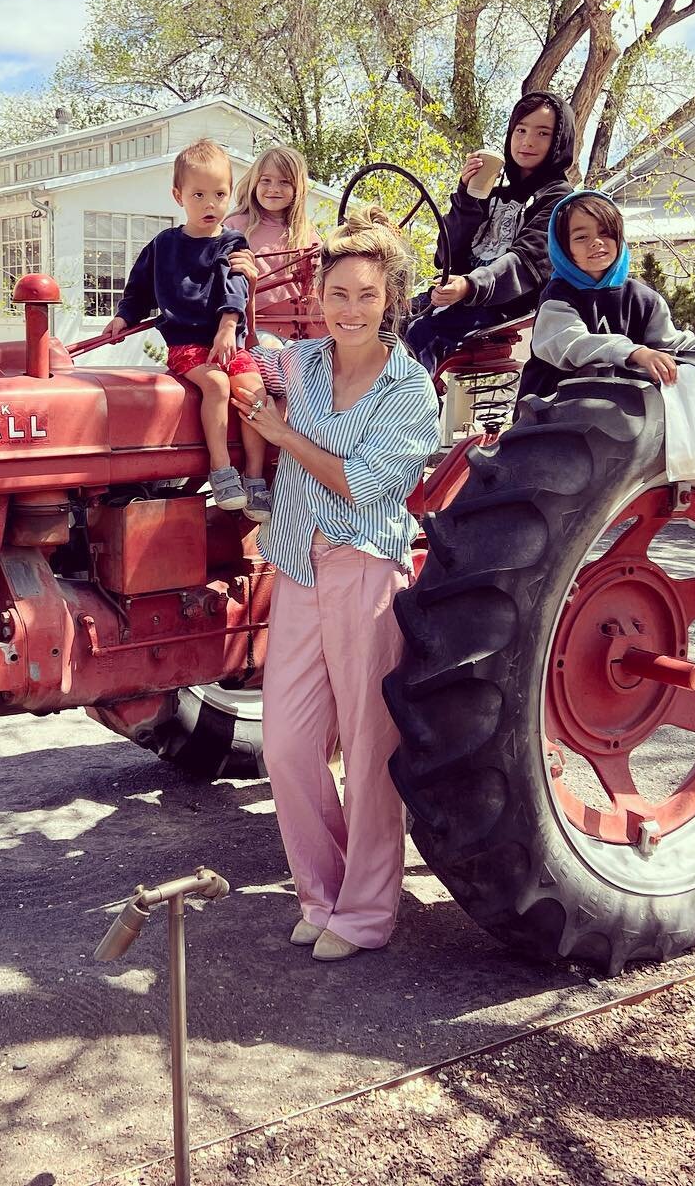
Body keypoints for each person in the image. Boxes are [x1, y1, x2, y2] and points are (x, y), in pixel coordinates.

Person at [236, 206, 441, 962]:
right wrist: (228, 310)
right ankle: (318, 895)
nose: (350, 309)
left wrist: (284, 434)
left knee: (366, 747)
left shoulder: (410, 391)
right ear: (318, 297)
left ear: (389, 298)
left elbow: (360, 484)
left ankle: (364, 913)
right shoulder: (305, 363)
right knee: (286, 745)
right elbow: (254, 360)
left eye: (365, 294)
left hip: (363, 570)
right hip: (296, 563)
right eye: (337, 294)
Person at [103, 139, 271, 521]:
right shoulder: (163, 245)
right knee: (216, 384)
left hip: (227, 338)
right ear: (178, 196)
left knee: (255, 392)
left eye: (220, 193)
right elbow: (138, 289)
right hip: (185, 344)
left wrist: (229, 325)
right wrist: (123, 318)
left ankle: (256, 479)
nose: (210, 203)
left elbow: (236, 285)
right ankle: (221, 469)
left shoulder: (232, 241)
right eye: (199, 194)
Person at [517, 191, 695, 399]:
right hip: (554, 411)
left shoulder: (642, 298)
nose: (596, 242)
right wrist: (635, 352)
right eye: (581, 236)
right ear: (563, 248)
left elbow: (671, 343)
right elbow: (571, 344)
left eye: (606, 233)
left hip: (620, 414)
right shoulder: (558, 298)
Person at [405, 89, 577, 376]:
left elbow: (525, 265)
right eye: (520, 130)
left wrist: (470, 287)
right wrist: (467, 197)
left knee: (420, 335)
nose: (527, 141)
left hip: (503, 305)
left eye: (543, 133)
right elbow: (445, 256)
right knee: (386, 318)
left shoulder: (558, 200)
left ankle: (411, 415)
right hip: (457, 295)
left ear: (559, 141)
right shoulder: (492, 192)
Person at [224, 146, 325, 342]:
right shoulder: (234, 227)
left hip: (301, 331)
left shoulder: (307, 235)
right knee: (272, 348)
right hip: (251, 328)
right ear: (254, 183)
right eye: (266, 180)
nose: (274, 189)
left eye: (284, 182)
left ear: (298, 189)